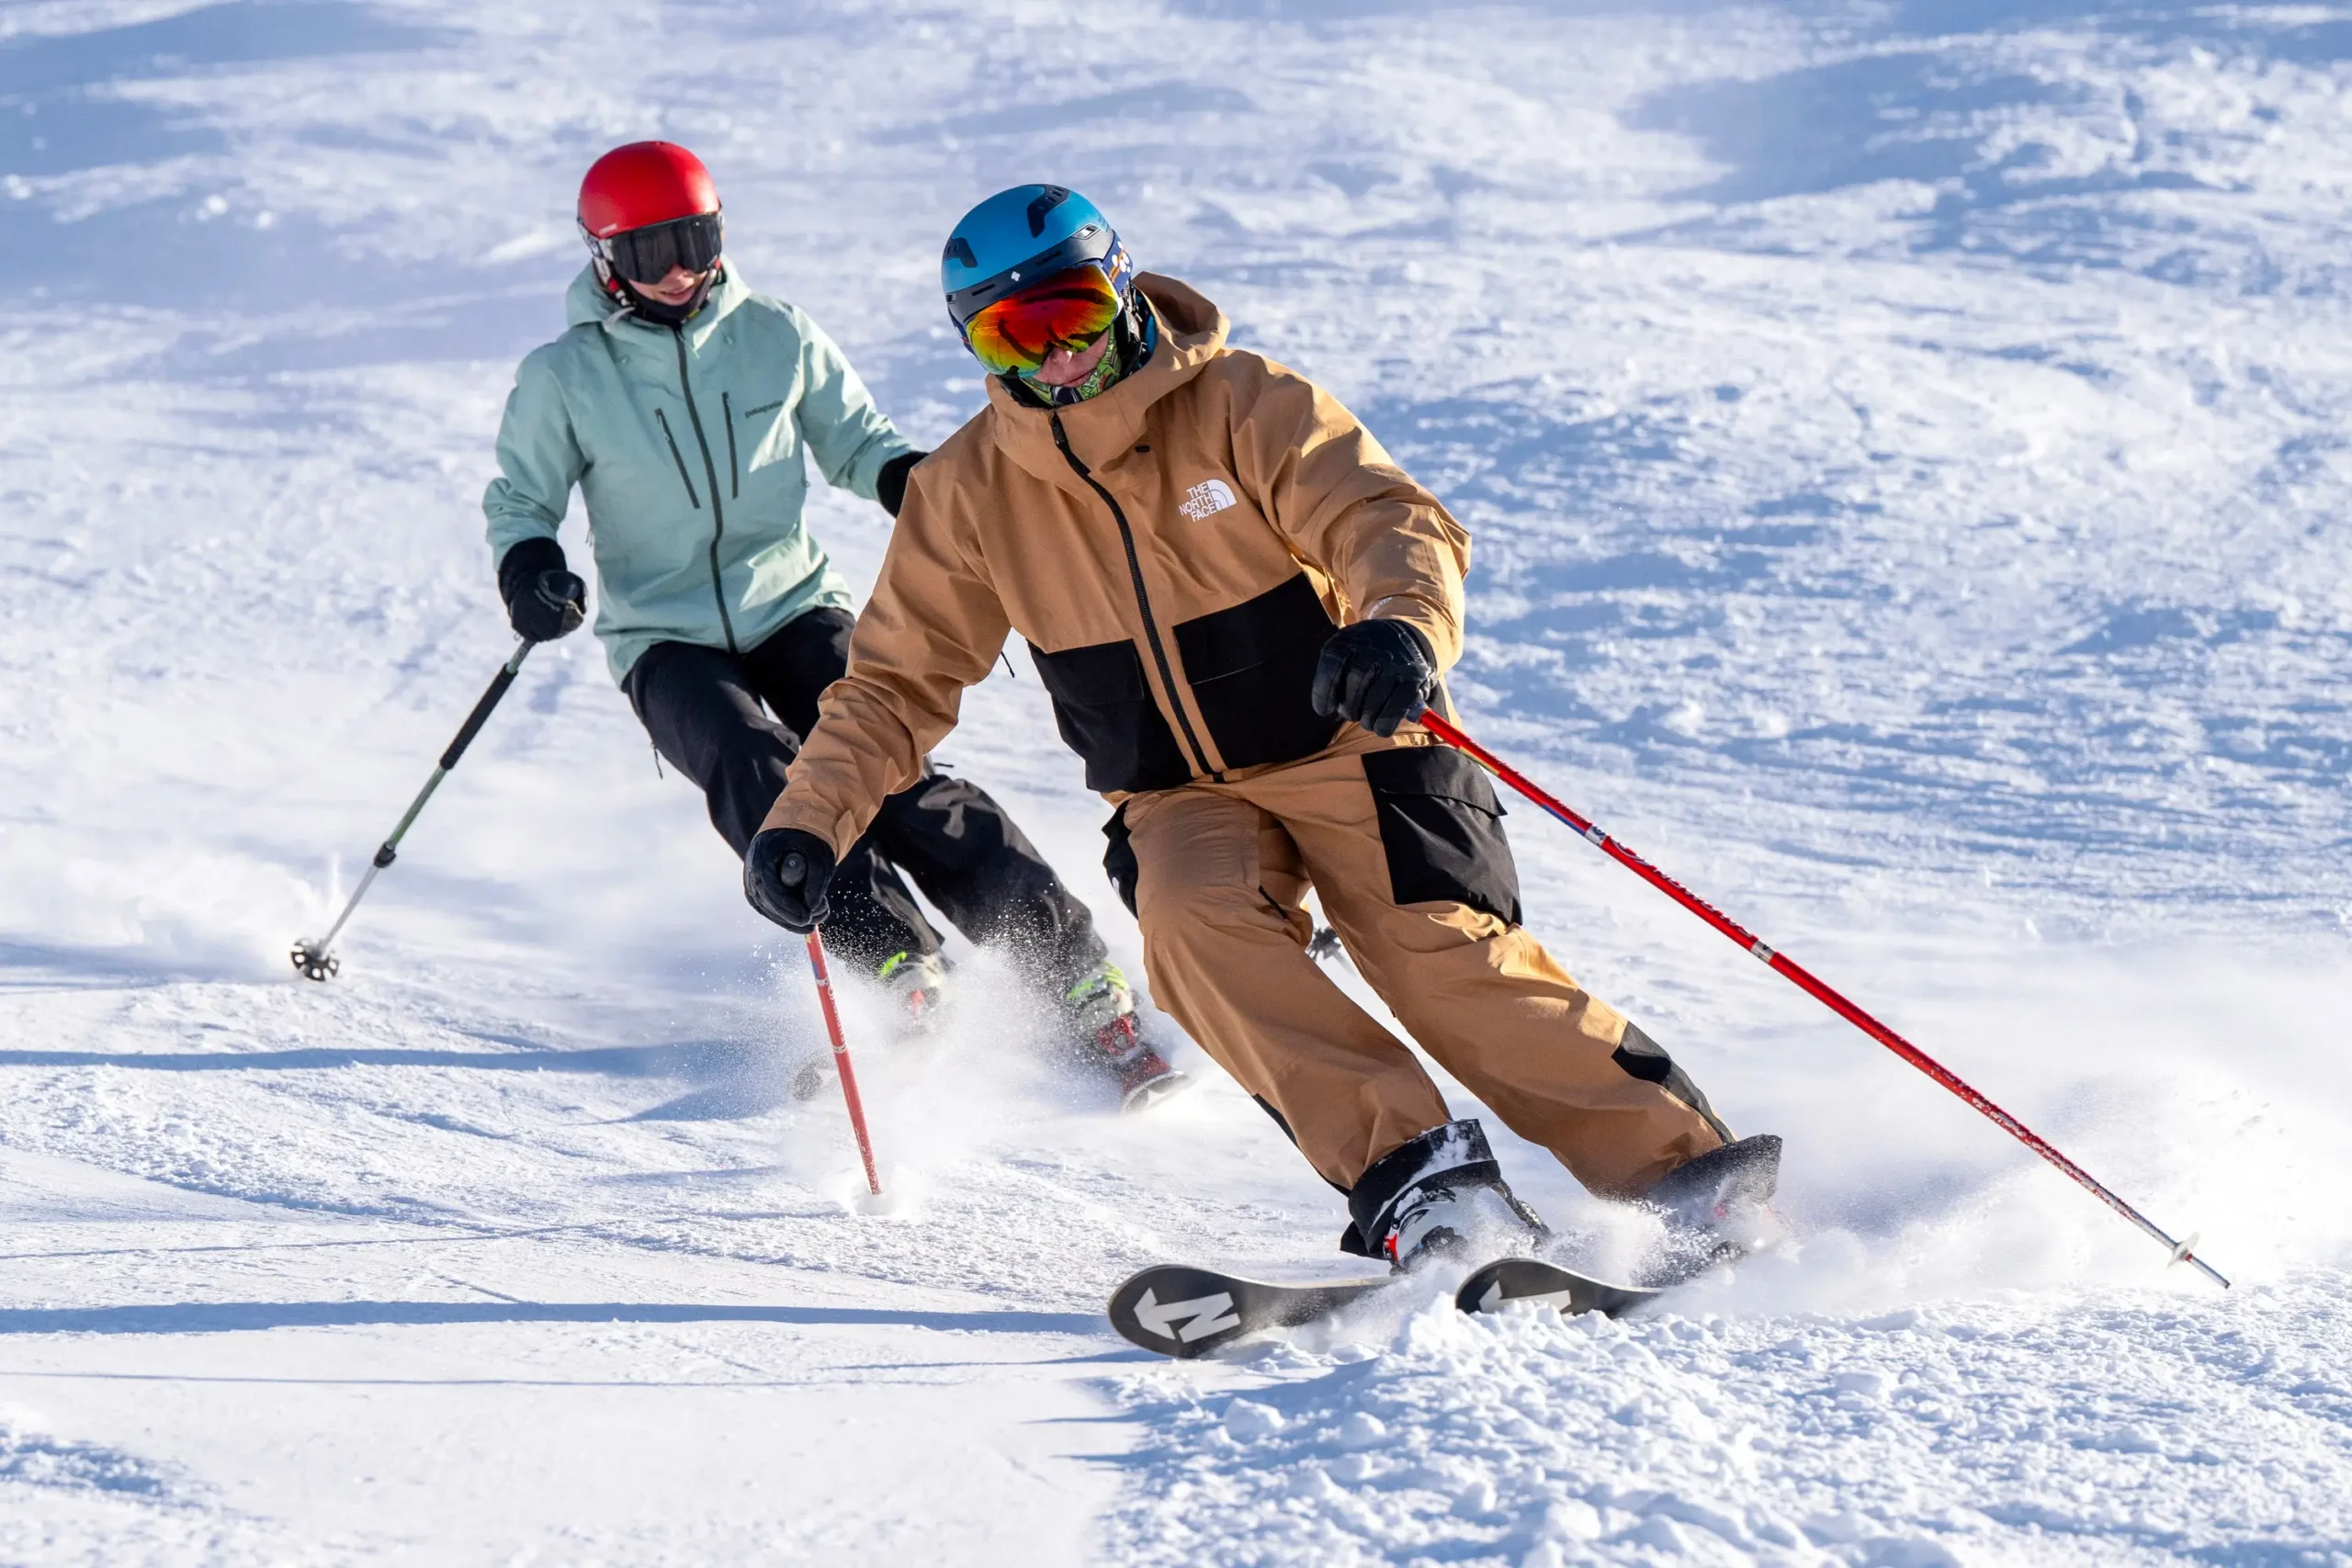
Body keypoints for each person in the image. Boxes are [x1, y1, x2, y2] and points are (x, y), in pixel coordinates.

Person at [740, 184, 1781, 1279]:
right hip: (1177, 791)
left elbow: (1385, 516)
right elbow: (892, 685)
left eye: (1074, 313)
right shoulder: (966, 492)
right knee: (1193, 928)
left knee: (1437, 956)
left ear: (1123, 286)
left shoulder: (1244, 401)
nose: (1053, 356)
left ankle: (1681, 1178)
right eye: (1013, 332)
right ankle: (1426, 1184)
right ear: (976, 345)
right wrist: (809, 818)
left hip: (1351, 740)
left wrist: (1398, 630)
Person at [482, 146, 1185, 1111]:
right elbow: (521, 497)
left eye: (696, 240)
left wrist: (916, 487)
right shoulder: (563, 376)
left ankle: (1068, 971)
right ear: (606, 260)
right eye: (652, 254)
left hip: (792, 601)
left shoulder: (775, 334)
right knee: (752, 766)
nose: (680, 269)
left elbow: (856, 442)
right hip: (663, 635)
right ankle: (897, 962)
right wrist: (530, 567)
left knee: (888, 767)